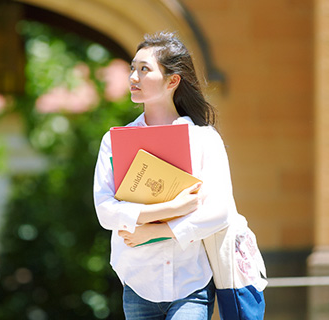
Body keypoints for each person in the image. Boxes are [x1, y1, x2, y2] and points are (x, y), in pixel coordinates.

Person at [93, 31, 256, 320]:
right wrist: (172, 208)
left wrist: (156, 230)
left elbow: (219, 213)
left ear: (172, 81)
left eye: (144, 69)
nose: (133, 76)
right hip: (137, 281)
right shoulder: (114, 140)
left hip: (191, 282)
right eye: (133, 68)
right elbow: (105, 211)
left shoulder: (204, 140)